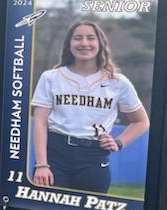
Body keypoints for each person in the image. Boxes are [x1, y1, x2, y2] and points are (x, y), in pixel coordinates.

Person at [31, 21, 150, 193]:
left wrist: (118, 142)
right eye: (78, 38)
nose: (84, 43)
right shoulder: (51, 77)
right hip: (55, 155)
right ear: (69, 44)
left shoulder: (117, 82)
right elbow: (40, 122)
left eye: (90, 38)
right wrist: (42, 164)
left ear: (100, 44)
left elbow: (141, 121)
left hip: (93, 157)